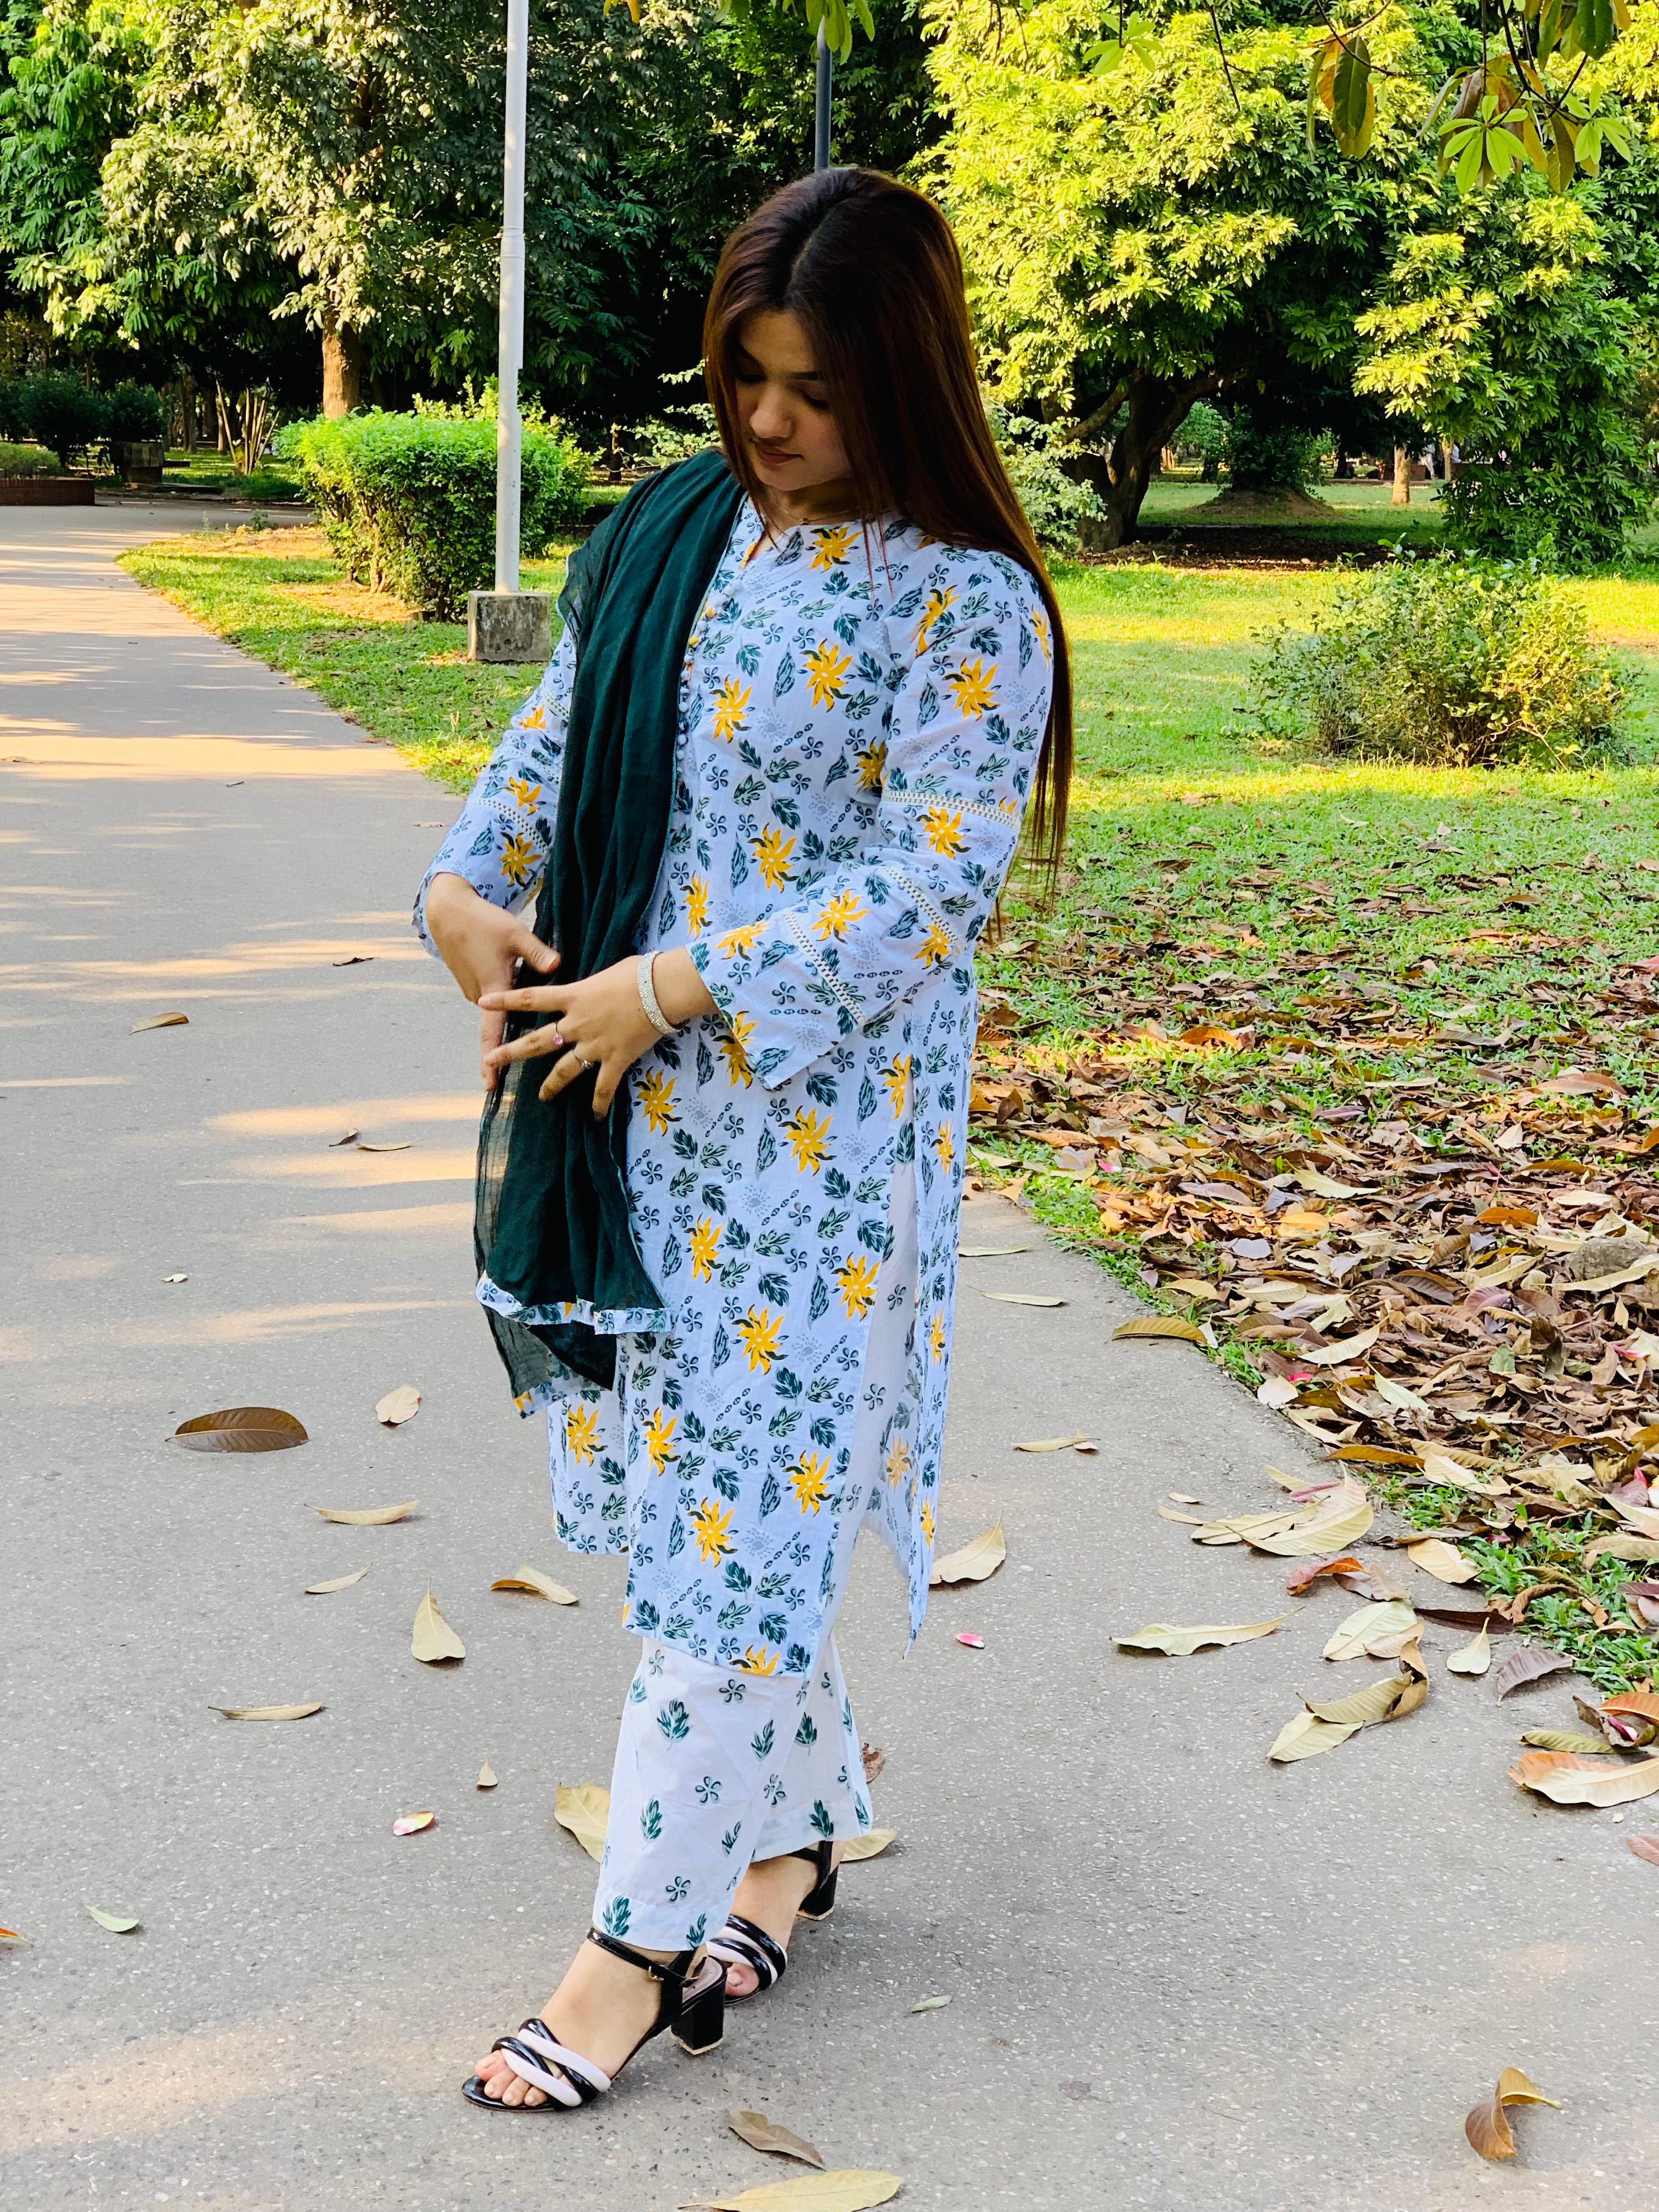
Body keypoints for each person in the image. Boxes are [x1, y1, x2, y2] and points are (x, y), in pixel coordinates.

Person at [416, 163, 1071, 2115]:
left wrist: (679, 984)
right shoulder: (673, 536)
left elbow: (928, 889)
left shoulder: (967, 603)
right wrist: (460, 897)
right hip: (632, 1135)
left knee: (735, 1542)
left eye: (817, 389)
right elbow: (547, 754)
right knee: (704, 1515)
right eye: (747, 375)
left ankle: (626, 1958)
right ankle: (785, 1846)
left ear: (908, 380)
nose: (770, 422)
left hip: (817, 1165)